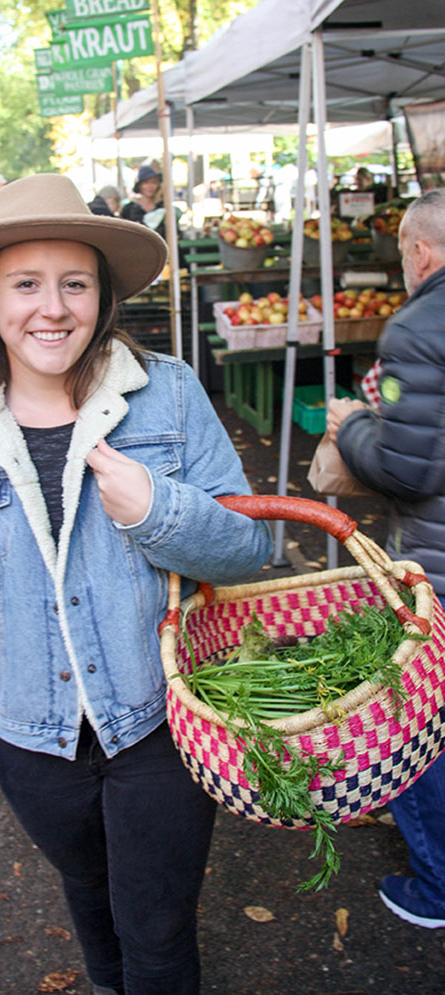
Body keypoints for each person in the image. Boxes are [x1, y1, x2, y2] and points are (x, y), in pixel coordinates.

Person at [0, 173, 273, 994]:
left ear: (102, 294)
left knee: (157, 926)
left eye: (75, 282)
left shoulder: (165, 393)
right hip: (29, 740)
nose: (51, 307)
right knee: (92, 893)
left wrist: (159, 512)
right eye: (26, 283)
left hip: (159, 728)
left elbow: (253, 547)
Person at [327, 187, 445, 931]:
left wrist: (353, 426)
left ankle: (435, 885)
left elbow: (405, 470)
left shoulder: (416, 328)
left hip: (439, 562)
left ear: (419, 251)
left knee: (422, 718)